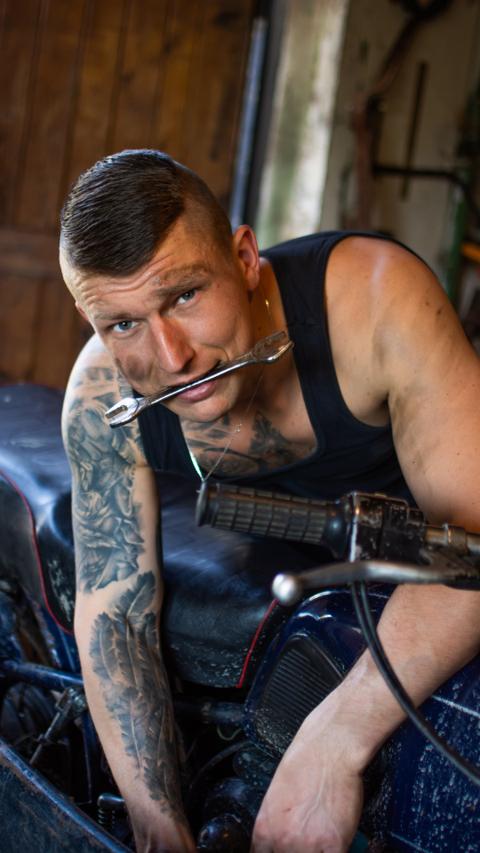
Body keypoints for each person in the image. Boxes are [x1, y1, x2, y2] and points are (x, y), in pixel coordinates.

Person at [59, 149, 480, 853]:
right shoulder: (103, 399)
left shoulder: (379, 303)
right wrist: (158, 830)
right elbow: (115, 614)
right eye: (123, 323)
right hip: (291, 594)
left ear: (245, 258)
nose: (171, 357)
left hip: (418, 584)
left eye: (185, 296)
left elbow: (472, 550)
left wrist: (333, 745)